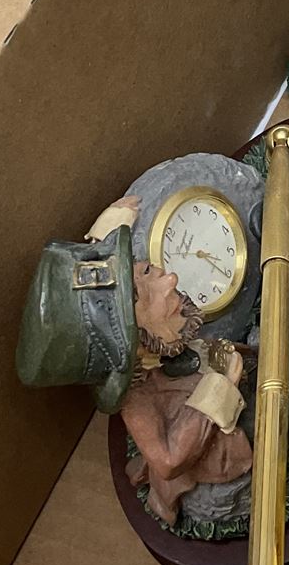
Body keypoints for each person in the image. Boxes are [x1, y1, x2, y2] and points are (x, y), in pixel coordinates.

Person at [17, 210, 251, 529]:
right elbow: (167, 460)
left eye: (147, 270)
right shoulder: (137, 401)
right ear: (132, 347)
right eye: (143, 297)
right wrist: (220, 388)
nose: (171, 280)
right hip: (223, 439)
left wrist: (104, 233)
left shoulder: (164, 348)